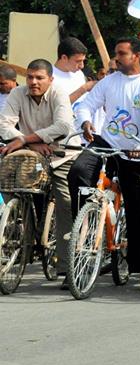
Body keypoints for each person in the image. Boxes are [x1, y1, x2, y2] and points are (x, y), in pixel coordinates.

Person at [69, 37, 140, 292]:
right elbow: (85, 106)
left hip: (136, 149)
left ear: (136, 56)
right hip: (107, 142)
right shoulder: (109, 81)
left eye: (121, 53)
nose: (116, 57)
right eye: (116, 53)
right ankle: (83, 229)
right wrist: (86, 122)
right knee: (78, 172)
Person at [0, 59, 75, 285]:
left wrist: (24, 138)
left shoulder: (59, 94)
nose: (34, 82)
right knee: (11, 186)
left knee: (65, 201)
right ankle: (17, 239)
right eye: (30, 77)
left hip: (61, 155)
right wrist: (29, 143)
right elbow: (4, 125)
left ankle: (65, 264)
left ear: (50, 80)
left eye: (39, 78)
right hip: (30, 153)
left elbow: (62, 127)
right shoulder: (17, 94)